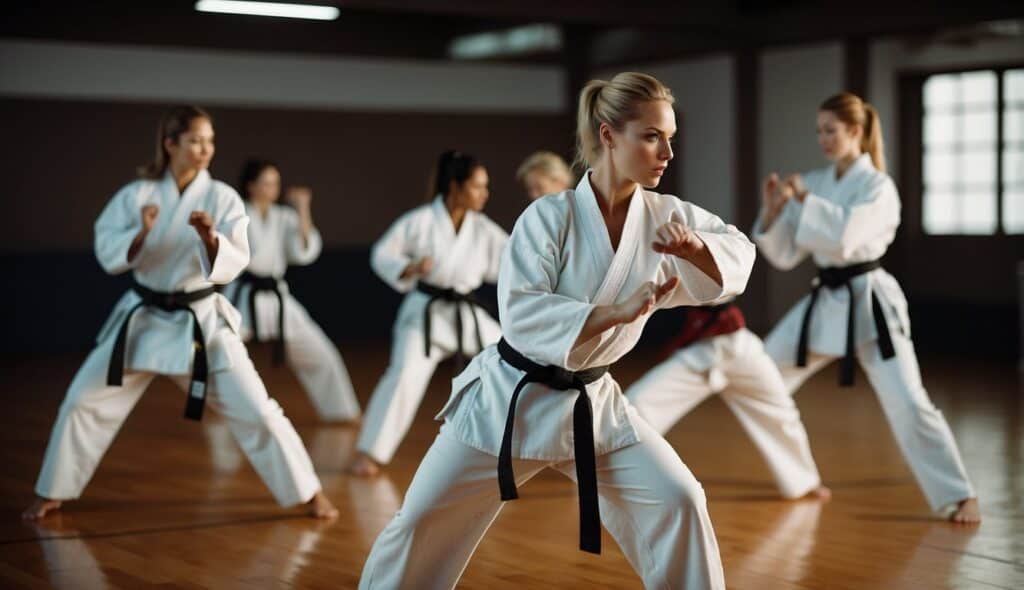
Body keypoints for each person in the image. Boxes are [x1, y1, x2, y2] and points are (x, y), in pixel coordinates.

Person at [359, 72, 756, 590]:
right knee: (419, 522)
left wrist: (695, 250)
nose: (667, 153)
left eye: (671, 138)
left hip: (594, 406)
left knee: (679, 498)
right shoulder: (550, 216)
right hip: (509, 403)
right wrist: (614, 313)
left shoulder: (669, 215)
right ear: (609, 134)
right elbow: (522, 314)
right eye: (652, 136)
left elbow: (739, 251)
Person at [22, 106, 336, 521]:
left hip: (201, 321)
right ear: (170, 144)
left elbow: (236, 257)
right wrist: (142, 233)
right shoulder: (136, 195)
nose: (205, 149)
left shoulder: (222, 196)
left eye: (210, 141)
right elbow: (107, 251)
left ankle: (308, 491)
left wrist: (210, 238)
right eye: (195, 140)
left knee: (258, 410)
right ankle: (53, 490)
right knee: (82, 402)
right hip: (142, 318)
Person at [753, 92, 980, 524]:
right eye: (818, 130)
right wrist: (773, 209)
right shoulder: (817, 182)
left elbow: (844, 237)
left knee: (908, 403)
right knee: (761, 379)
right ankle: (800, 478)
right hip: (824, 301)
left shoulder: (878, 186)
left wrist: (802, 202)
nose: (822, 138)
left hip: (869, 301)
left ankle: (960, 493)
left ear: (855, 132)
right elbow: (784, 255)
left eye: (830, 130)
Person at [348, 151, 507, 476]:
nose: (484, 194)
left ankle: (524, 447)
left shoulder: (484, 229)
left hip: (466, 314)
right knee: (404, 374)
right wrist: (408, 267)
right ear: (455, 187)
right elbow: (382, 254)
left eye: (485, 187)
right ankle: (371, 453)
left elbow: (514, 262)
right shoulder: (419, 221)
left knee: (514, 360)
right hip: (425, 315)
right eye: (478, 187)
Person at [224, 159, 361, 423]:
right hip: (243, 296)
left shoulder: (284, 217)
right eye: (265, 183)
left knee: (320, 352)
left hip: (276, 296)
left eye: (275, 183)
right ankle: (221, 406)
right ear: (250, 186)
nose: (271, 188)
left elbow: (303, 251)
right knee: (221, 351)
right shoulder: (236, 213)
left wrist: (302, 208)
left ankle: (341, 410)